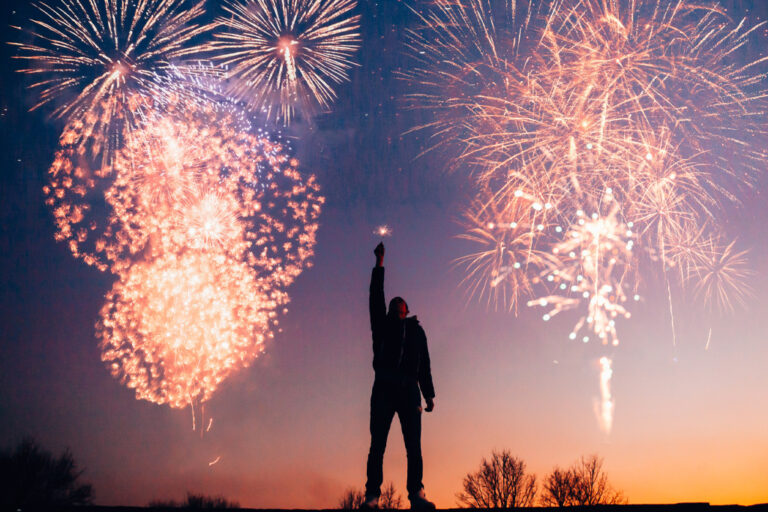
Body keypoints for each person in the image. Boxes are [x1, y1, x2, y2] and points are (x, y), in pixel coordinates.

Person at [362, 242, 436, 510]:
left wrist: (428, 393)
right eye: (392, 305)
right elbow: (375, 296)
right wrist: (380, 263)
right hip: (383, 388)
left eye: (399, 305)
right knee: (377, 444)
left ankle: (416, 494)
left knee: (413, 447)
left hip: (409, 391)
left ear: (406, 310)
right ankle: (372, 495)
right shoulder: (381, 326)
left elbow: (424, 363)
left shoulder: (417, 332)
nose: (395, 307)